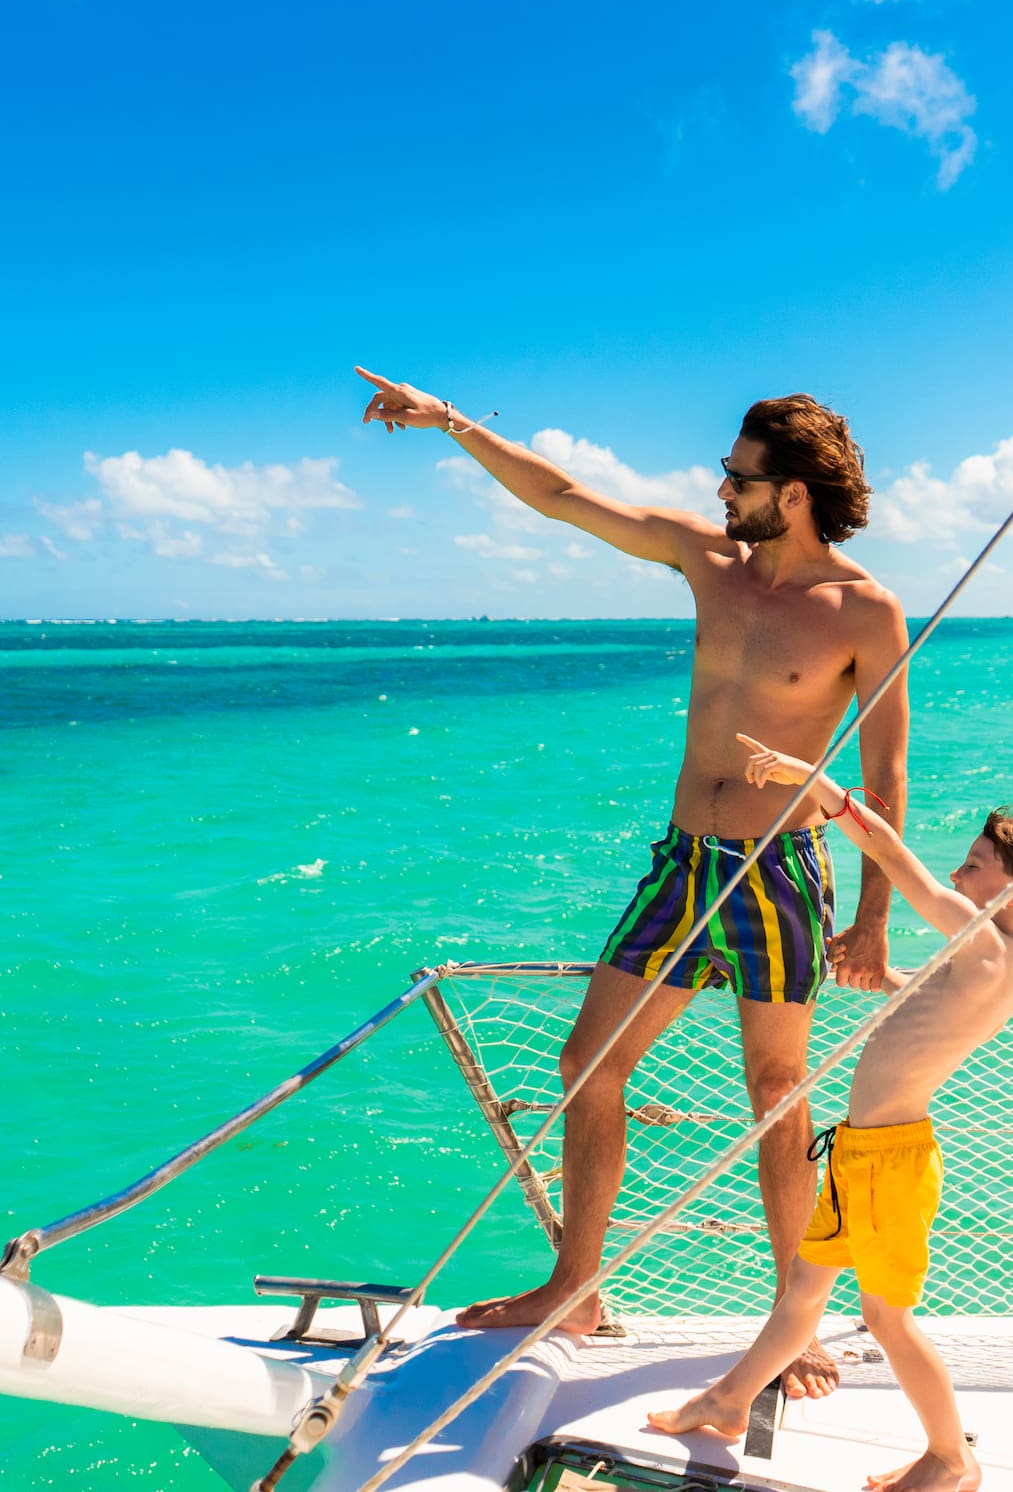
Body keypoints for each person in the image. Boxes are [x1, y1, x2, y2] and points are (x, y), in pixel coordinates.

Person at [355, 368, 910, 1398]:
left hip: (777, 875)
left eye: (736, 477)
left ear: (789, 491)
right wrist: (447, 421)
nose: (718, 492)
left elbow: (883, 776)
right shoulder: (708, 562)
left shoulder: (863, 613)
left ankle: (796, 1321)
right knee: (587, 1062)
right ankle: (576, 1285)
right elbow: (560, 497)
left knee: (777, 1091)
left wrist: (872, 922)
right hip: (682, 864)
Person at [645, 733, 1013, 1492]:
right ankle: (728, 1400)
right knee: (804, 1295)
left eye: (975, 865)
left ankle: (951, 1456)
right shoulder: (985, 962)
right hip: (863, 1155)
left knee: (887, 1319)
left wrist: (802, 776)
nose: (956, 872)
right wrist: (890, 979)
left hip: (890, 1164)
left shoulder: (985, 947)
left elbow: (886, 850)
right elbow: (935, 1013)